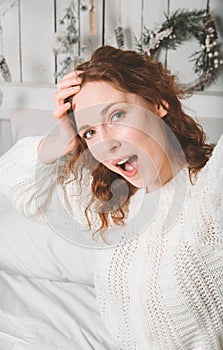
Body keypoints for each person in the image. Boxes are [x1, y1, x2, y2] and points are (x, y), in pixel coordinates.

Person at [0, 45, 222, 349]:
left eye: (116, 115)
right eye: (89, 132)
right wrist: (62, 137)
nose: (105, 143)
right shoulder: (110, 205)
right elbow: (14, 180)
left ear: (157, 103)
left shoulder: (211, 192)